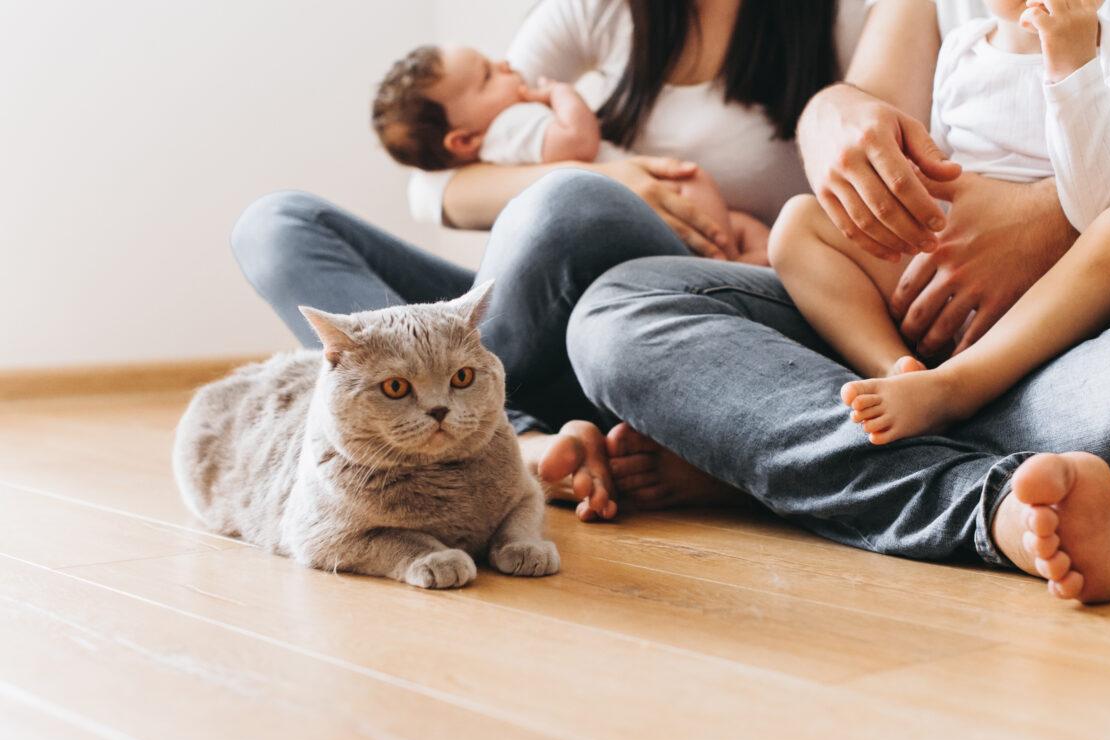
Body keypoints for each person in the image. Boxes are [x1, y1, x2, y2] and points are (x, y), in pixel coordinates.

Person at [564, 0, 1110, 603]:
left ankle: (779, 459)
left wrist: (1048, 225)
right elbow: (861, 102)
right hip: (929, 325)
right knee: (624, 309)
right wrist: (835, 124)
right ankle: (994, 484)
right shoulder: (959, 29)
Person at [233, 0, 863, 521]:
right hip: (538, 313)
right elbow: (431, 185)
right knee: (276, 223)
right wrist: (607, 177)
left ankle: (493, 438)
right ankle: (516, 438)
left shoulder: (842, 20)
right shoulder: (601, 12)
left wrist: (776, 241)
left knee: (572, 200)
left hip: (686, 311)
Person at [769, 0, 1110, 444]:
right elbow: (941, 168)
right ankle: (899, 371)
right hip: (950, 275)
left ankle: (958, 388)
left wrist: (1072, 66)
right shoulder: (962, 47)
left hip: (1057, 299)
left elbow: (1107, 205)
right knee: (799, 224)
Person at [369, 43, 769, 264]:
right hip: (658, 210)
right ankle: (736, 267)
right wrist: (563, 94)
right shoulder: (511, 126)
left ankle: (740, 265)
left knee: (744, 226)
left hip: (656, 213)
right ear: (463, 141)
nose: (505, 62)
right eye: (489, 74)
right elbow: (577, 142)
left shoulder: (494, 136)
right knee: (731, 235)